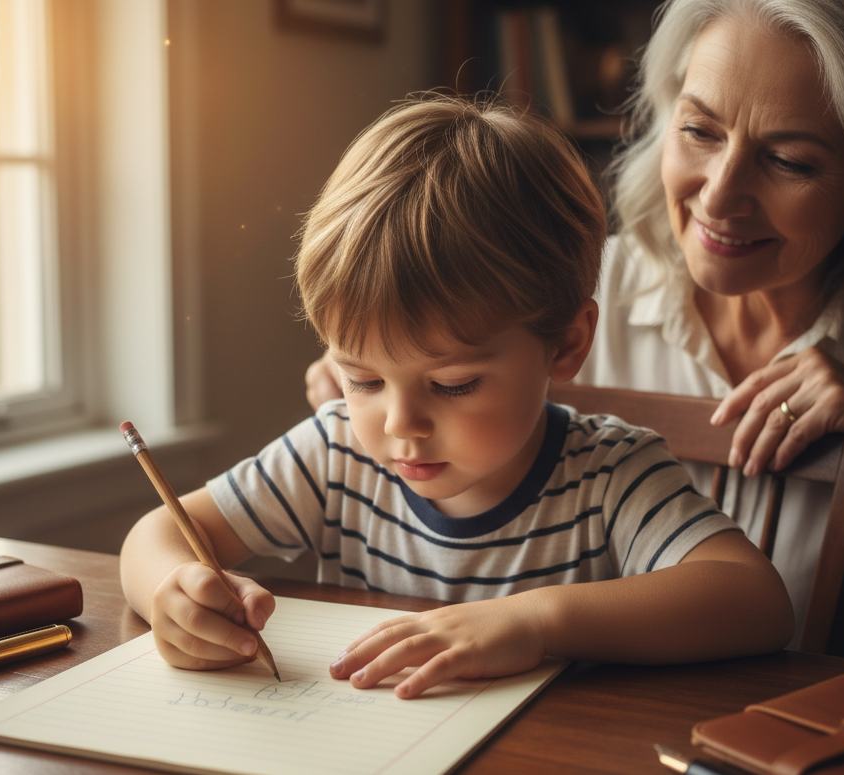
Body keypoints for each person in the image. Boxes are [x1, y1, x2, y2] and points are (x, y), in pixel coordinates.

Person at [303, 0, 844, 661]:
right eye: (700, 131)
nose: (718, 195)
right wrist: (376, 372)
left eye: (789, 161)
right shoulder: (548, 291)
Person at [121, 95, 793, 699]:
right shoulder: (333, 453)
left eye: (453, 384)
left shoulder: (611, 475)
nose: (401, 423)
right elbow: (158, 533)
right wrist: (172, 590)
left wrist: (533, 621)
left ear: (565, 344)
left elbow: (756, 601)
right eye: (364, 380)